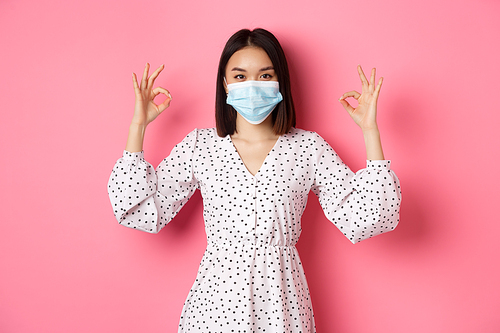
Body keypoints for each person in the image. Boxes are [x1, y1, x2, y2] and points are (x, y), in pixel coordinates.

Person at [108, 28, 401, 333]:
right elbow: (139, 211)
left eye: (264, 76)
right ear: (224, 84)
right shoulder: (200, 147)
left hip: (282, 303)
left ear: (280, 82)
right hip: (214, 305)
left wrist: (370, 131)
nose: (252, 86)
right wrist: (138, 125)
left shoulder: (308, 148)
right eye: (239, 76)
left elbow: (367, 218)